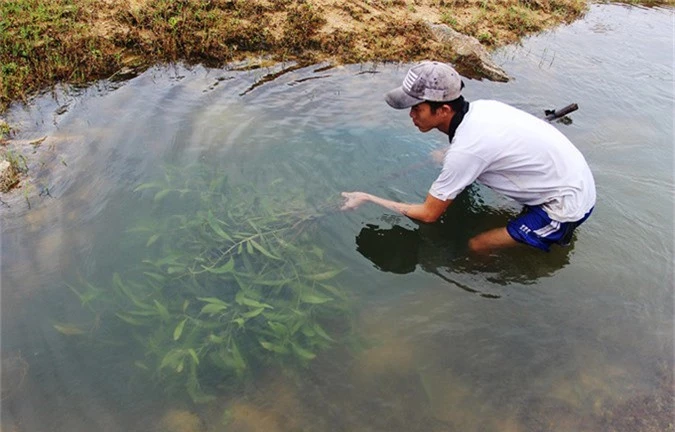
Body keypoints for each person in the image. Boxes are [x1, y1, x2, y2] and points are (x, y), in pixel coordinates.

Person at [341, 61, 596, 254]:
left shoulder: (466, 150)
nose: (411, 116)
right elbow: (483, 147)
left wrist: (367, 197)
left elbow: (428, 214)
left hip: (565, 205)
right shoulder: (483, 108)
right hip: (571, 175)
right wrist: (451, 155)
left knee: (477, 245)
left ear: (443, 110)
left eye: (417, 109)